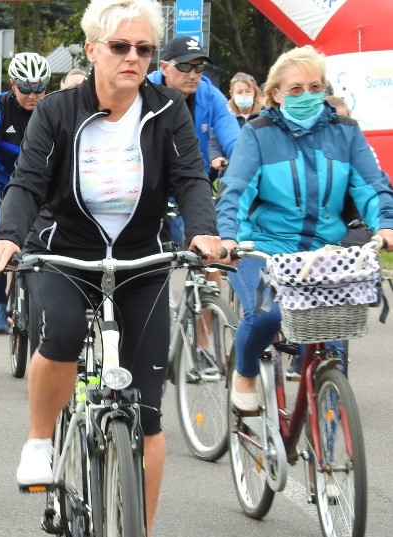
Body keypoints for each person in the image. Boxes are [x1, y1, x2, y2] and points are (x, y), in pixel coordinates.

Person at [0, 0, 224, 537]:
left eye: (144, 50)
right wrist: (10, 235)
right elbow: (28, 182)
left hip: (142, 261)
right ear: (93, 49)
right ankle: (41, 440)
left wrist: (203, 232)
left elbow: (191, 179)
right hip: (70, 255)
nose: (134, 59)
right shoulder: (61, 111)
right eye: (121, 47)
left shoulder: (168, 109)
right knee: (60, 332)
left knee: (145, 413)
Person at [216, 45, 393, 412]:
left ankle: (329, 428)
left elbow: (371, 186)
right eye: (296, 89)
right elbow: (234, 191)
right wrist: (229, 237)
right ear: (276, 94)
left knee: (337, 324)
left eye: (315, 87)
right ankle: (245, 371)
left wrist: (386, 224)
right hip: (263, 247)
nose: (307, 96)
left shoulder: (346, 132)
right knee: (269, 312)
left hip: (325, 252)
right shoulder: (258, 134)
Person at [0, 51, 50, 334]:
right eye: (25, 89)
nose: (33, 96)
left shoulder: (54, 110)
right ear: (12, 84)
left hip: (42, 189)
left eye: (39, 89)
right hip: (1, 188)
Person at [148, 36, 239, 244]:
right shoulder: (143, 91)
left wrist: (246, 162)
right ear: (164, 67)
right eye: (184, 66)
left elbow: (234, 139)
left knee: (209, 251)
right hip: (149, 188)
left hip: (191, 185)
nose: (193, 75)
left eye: (199, 68)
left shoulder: (210, 95)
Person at [208, 72, 264, 178]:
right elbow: (213, 141)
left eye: (248, 91)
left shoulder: (265, 114)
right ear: (232, 94)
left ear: (254, 93)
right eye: (239, 92)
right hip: (231, 172)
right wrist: (215, 157)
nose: (244, 95)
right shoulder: (223, 115)